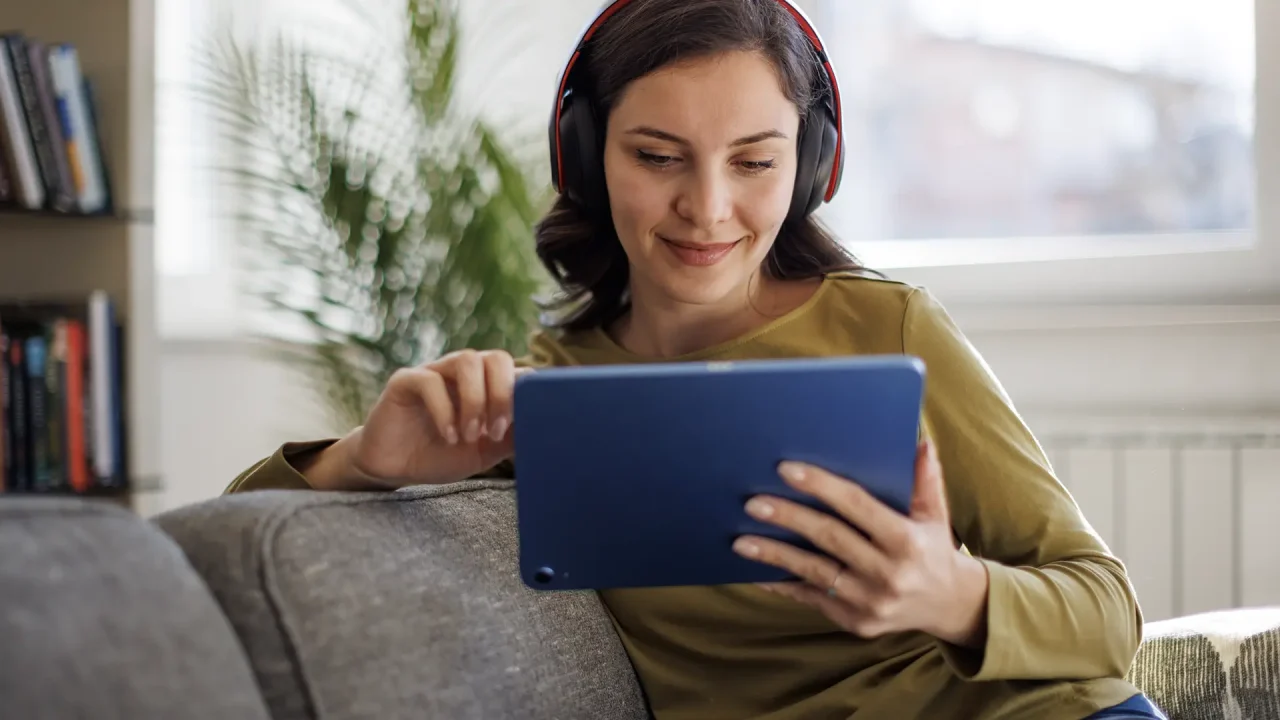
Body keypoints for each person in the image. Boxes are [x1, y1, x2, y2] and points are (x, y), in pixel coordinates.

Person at [224, 1, 1169, 718]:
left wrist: (951, 592)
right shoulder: (549, 400)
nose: (708, 208)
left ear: (808, 167)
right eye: (658, 156)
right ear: (590, 157)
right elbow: (227, 547)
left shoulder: (891, 329)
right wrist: (361, 462)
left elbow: (1106, 612)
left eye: (754, 162)